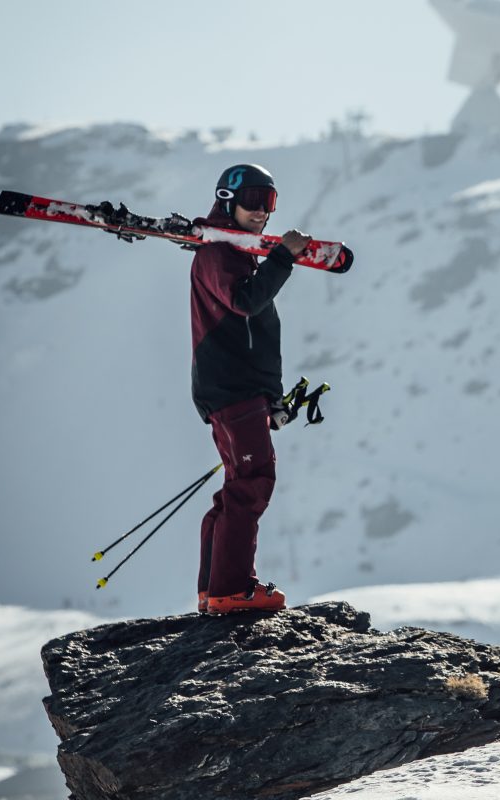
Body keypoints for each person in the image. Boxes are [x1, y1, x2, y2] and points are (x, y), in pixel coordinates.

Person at [189, 164, 311, 615]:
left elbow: (254, 332)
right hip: (232, 390)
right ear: (227, 199)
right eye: (255, 201)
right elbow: (245, 302)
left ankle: (214, 589)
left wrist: (273, 401)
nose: (262, 212)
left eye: (271, 203)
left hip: (239, 392)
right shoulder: (218, 253)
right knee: (252, 485)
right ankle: (231, 590)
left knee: (237, 488)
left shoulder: (236, 253)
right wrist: (283, 257)